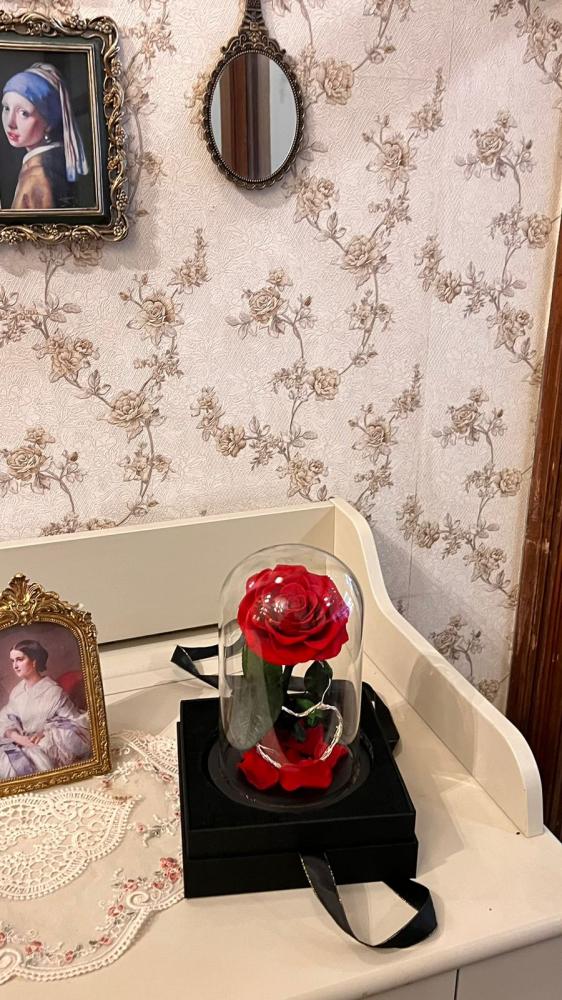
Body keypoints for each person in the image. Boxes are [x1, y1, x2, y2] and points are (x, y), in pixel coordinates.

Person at [1, 62, 88, 210]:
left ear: (48, 122)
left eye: (23, 113)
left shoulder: (37, 176)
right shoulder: (42, 164)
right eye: (6, 108)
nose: (10, 123)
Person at [0, 638, 91, 780]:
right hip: (20, 741)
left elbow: (76, 723)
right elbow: (5, 718)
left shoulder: (53, 691)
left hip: (43, 744)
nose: (15, 666)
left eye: (20, 660)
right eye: (12, 661)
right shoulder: (17, 691)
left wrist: (45, 732)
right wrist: (16, 736)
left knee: (18, 767)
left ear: (34, 661)